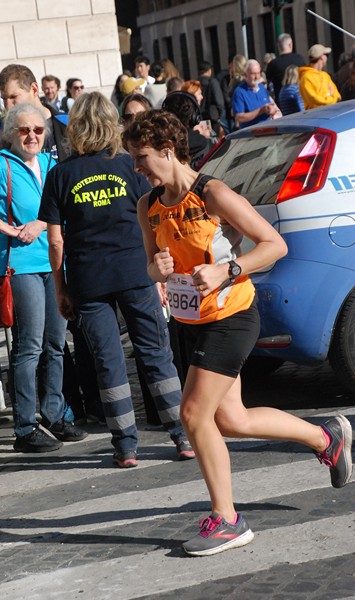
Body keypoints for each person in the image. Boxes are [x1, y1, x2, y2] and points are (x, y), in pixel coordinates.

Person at [123, 108, 353, 556]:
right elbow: (151, 263)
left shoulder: (213, 193)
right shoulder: (147, 206)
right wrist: (158, 268)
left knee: (192, 415)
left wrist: (228, 269)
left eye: (142, 157)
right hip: (193, 322)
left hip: (232, 317)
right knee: (231, 419)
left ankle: (227, 519)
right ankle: (326, 438)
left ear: (168, 151)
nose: (136, 167)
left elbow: (273, 245)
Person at [38, 92, 195, 468]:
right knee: (156, 354)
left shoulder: (60, 175)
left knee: (108, 362)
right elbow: (152, 224)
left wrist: (60, 288)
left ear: (75, 127)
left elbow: (56, 240)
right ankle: (182, 436)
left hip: (88, 280)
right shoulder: (129, 167)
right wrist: (158, 275)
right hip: (135, 272)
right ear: (113, 124)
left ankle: (125, 446)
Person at [0, 104, 87, 452]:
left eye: (38, 130)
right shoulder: (0, 166)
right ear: (11, 134)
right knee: (29, 347)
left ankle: (55, 415)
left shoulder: (49, 165)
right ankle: (25, 427)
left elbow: (65, 207)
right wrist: (5, 228)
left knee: (57, 343)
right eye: (24, 130)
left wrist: (41, 223)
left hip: (54, 262)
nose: (31, 136)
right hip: (20, 266)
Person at [0, 64, 68, 162]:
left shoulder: (67, 124)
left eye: (13, 97)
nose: (8, 106)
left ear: (34, 89)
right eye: (4, 99)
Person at [232, 59, 280, 129]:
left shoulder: (262, 88)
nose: (256, 77)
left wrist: (272, 110)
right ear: (245, 74)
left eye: (258, 73)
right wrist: (260, 111)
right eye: (253, 74)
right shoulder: (239, 92)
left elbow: (270, 106)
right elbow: (240, 118)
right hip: (252, 135)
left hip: (268, 131)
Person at [266, 34, 306, 103]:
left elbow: (268, 83)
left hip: (281, 102)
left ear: (278, 46)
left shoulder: (273, 64)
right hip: (301, 99)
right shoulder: (300, 59)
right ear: (290, 44)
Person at [298, 45, 341, 109]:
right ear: (322, 57)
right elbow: (314, 100)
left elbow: (337, 96)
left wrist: (330, 99)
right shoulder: (306, 78)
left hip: (332, 112)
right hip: (316, 116)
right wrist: (331, 99)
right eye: (326, 55)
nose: (327, 58)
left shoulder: (325, 75)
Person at [198, 61, 224, 136]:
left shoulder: (195, 83)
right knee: (214, 141)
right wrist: (219, 115)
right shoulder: (213, 82)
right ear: (209, 70)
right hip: (213, 117)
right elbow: (219, 101)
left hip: (200, 118)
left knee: (205, 140)